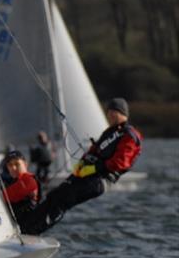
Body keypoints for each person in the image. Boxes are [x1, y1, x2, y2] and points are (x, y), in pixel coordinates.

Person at [24, 98, 142, 235]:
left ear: (122, 113)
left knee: (63, 201)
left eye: (113, 112)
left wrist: (94, 168)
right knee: (54, 195)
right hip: (85, 174)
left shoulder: (130, 135)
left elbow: (120, 163)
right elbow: (94, 149)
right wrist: (81, 163)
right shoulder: (109, 132)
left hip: (100, 180)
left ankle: (32, 231)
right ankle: (25, 224)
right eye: (108, 112)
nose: (109, 115)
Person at [0, 150, 40, 233]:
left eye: (17, 164)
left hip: (28, 227)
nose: (13, 168)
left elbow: (5, 196)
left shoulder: (29, 180)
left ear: (25, 164)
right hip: (13, 227)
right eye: (10, 165)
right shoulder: (10, 182)